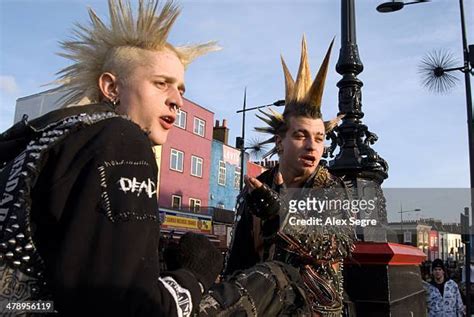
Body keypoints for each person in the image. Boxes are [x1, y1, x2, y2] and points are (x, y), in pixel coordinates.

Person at [0, 1, 310, 316]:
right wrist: (193, 275)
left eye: (181, 90)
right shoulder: (120, 139)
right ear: (111, 86)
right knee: (275, 280)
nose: (177, 100)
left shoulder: (44, 141)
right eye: (161, 83)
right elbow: (128, 305)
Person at [223, 37, 355, 316]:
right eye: (301, 135)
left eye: (319, 138)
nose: (312, 146)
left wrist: (280, 213)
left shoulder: (330, 188)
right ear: (280, 142)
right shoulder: (259, 187)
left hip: (315, 307)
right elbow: (240, 256)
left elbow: (338, 243)